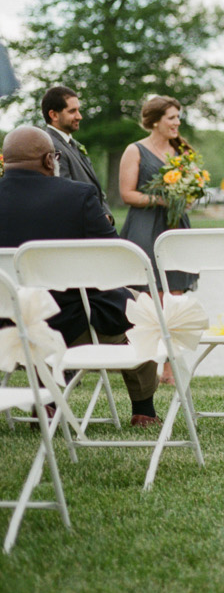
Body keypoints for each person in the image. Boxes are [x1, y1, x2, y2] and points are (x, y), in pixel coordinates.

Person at [0, 125, 160, 427]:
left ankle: (45, 401)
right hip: (68, 324)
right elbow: (115, 263)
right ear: (50, 161)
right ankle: (143, 410)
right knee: (141, 307)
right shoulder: (78, 196)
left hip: (4, 325)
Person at [118, 96, 199, 296]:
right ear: (156, 121)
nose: (177, 123)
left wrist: (190, 194)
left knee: (176, 291)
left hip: (175, 226)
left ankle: (173, 328)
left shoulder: (182, 152)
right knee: (149, 291)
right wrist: (161, 200)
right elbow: (127, 194)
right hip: (145, 225)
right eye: (171, 118)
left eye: (178, 117)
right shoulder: (135, 150)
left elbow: (193, 187)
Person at [41, 84, 114, 225]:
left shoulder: (73, 144)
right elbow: (65, 194)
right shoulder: (51, 146)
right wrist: (98, 220)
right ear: (54, 115)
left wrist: (107, 215)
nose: (79, 116)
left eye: (78, 110)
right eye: (72, 111)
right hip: (80, 229)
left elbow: (96, 189)